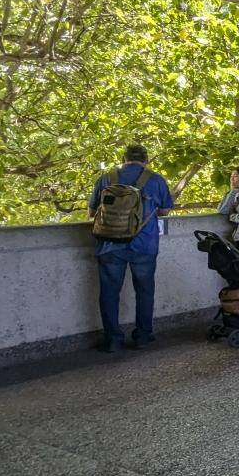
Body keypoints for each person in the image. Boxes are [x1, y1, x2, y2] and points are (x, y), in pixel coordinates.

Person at [88, 144, 173, 352]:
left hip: (109, 244)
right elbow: (164, 211)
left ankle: (113, 340)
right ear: (146, 160)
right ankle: (143, 336)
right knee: (144, 291)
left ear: (123, 159)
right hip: (143, 244)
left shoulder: (105, 179)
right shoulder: (155, 180)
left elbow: (91, 212)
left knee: (109, 293)